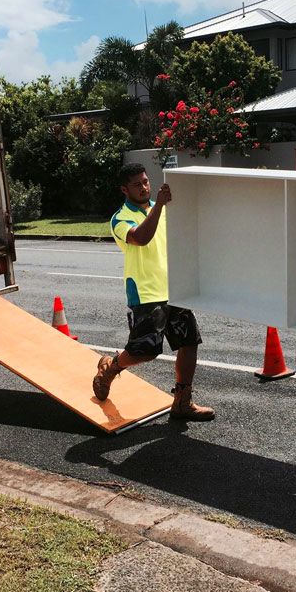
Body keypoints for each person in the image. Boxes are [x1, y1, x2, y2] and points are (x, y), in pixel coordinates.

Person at [92, 163, 214, 421]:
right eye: (137, 184)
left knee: (189, 342)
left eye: (146, 181)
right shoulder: (120, 217)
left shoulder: (165, 211)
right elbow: (141, 237)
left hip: (175, 289)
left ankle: (182, 402)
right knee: (145, 351)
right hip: (146, 293)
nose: (144, 187)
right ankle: (110, 368)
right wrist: (159, 206)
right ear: (125, 189)